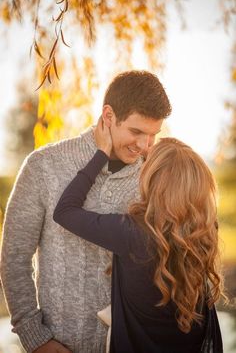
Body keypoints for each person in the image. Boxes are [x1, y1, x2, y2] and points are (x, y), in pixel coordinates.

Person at [0, 70, 171, 353]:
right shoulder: (44, 166)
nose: (144, 146)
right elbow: (15, 256)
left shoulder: (152, 180)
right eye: (136, 131)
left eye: (153, 135)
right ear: (108, 116)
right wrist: (35, 338)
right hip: (57, 344)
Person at [53, 123, 224, 353]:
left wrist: (101, 154)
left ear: (156, 183)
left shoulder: (131, 233)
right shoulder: (203, 235)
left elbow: (64, 211)